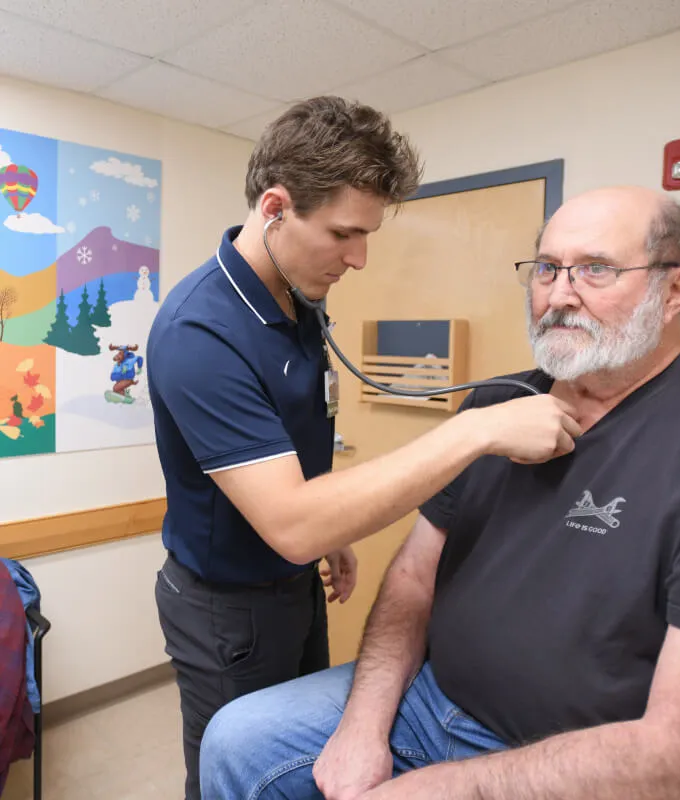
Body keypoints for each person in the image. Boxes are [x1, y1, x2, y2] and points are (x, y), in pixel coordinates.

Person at [199, 185, 680, 800]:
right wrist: (362, 725)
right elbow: (412, 578)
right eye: (547, 268)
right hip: (430, 703)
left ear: (675, 289)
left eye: (596, 269)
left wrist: (429, 790)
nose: (560, 294)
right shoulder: (494, 407)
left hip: (582, 764)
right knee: (237, 738)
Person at [146, 96, 581, 800]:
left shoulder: (298, 296)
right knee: (234, 768)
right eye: (344, 234)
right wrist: (472, 431)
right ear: (275, 207)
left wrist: (330, 527)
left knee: (300, 764)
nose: (360, 258)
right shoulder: (201, 332)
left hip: (293, 582)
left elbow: (292, 450)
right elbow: (288, 522)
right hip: (226, 607)